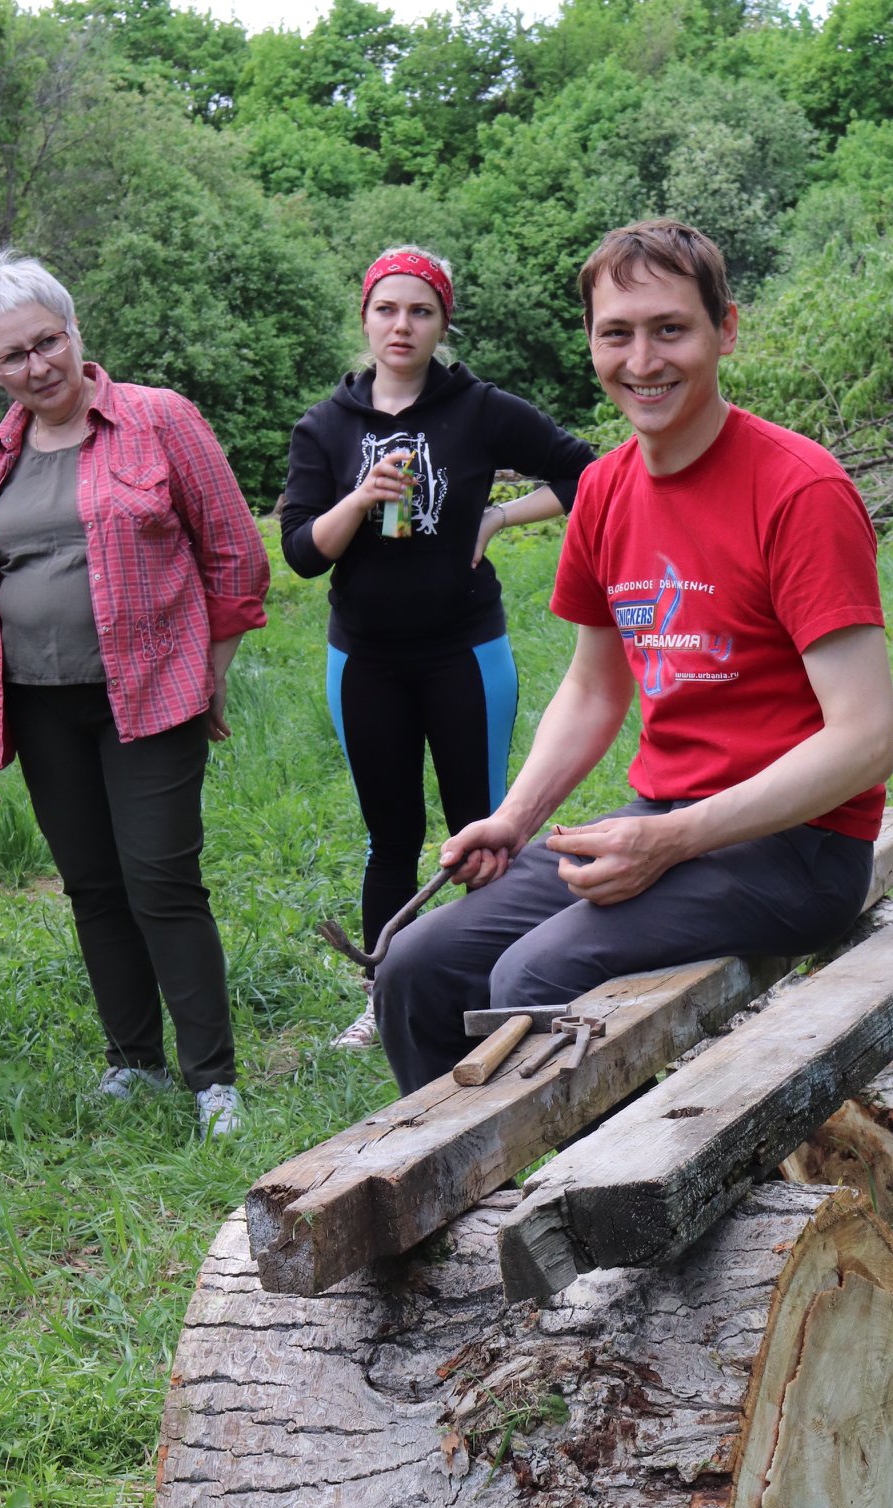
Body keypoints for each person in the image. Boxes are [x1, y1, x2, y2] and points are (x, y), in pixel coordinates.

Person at [373, 219, 893, 1094]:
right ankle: (460, 1202)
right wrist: (517, 816)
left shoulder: (800, 490)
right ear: (590, 343)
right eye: (617, 333)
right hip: (661, 820)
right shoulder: (607, 491)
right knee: (418, 968)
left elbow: (864, 740)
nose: (643, 360)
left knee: (531, 981)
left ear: (724, 331)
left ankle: (586, 1213)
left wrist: (673, 837)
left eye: (671, 329)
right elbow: (591, 685)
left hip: (796, 846)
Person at [0, 250, 269, 1138]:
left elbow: (235, 553)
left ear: (74, 331)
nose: (35, 366)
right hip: (40, 701)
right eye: (10, 357)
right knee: (92, 885)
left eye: (45, 342)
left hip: (150, 693)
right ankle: (132, 1061)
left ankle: (213, 1079)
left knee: (160, 878)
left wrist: (210, 671)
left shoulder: (157, 419)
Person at [281, 245, 595, 1049]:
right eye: (387, 309)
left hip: (465, 652)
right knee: (391, 833)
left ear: (441, 323)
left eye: (421, 311)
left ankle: (486, 985)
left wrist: (496, 517)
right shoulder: (325, 426)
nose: (402, 325)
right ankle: (386, 995)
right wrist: (359, 499)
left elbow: (582, 472)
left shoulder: (478, 409)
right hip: (365, 660)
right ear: (365, 318)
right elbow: (303, 552)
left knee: (481, 823)